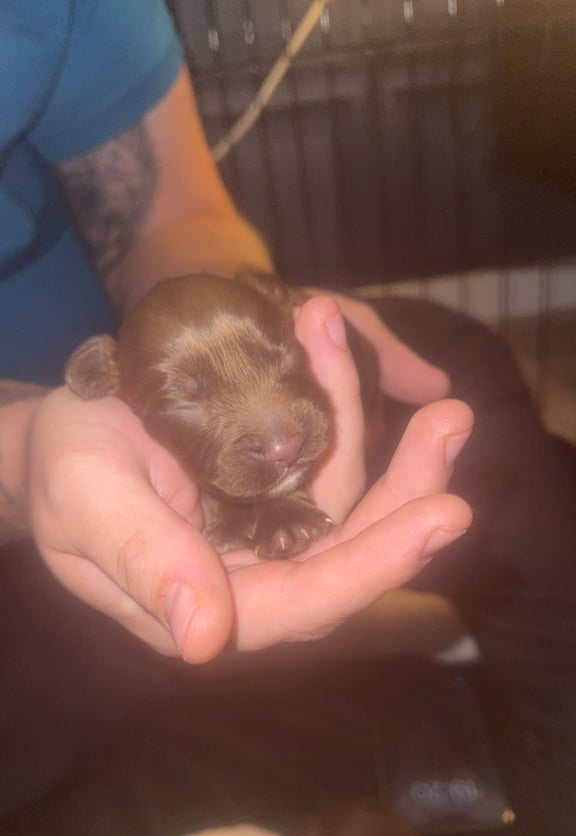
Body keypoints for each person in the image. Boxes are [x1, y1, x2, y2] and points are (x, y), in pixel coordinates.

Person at [0, 0, 473, 665]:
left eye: (275, 358)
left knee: (468, 363)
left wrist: (243, 298)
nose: (281, 436)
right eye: (187, 396)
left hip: (139, 331)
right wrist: (22, 451)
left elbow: (169, 216)